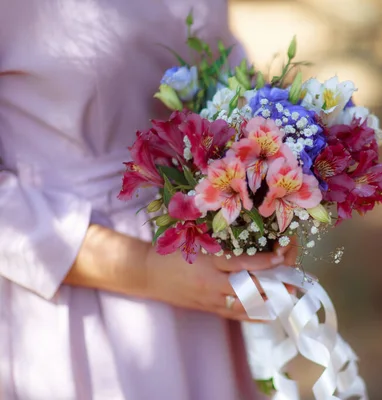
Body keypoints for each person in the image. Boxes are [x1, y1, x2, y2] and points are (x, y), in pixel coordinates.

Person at [0, 1, 294, 398]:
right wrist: (147, 268)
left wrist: (267, 201)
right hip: (81, 291)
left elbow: (226, 69)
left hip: (201, 264)